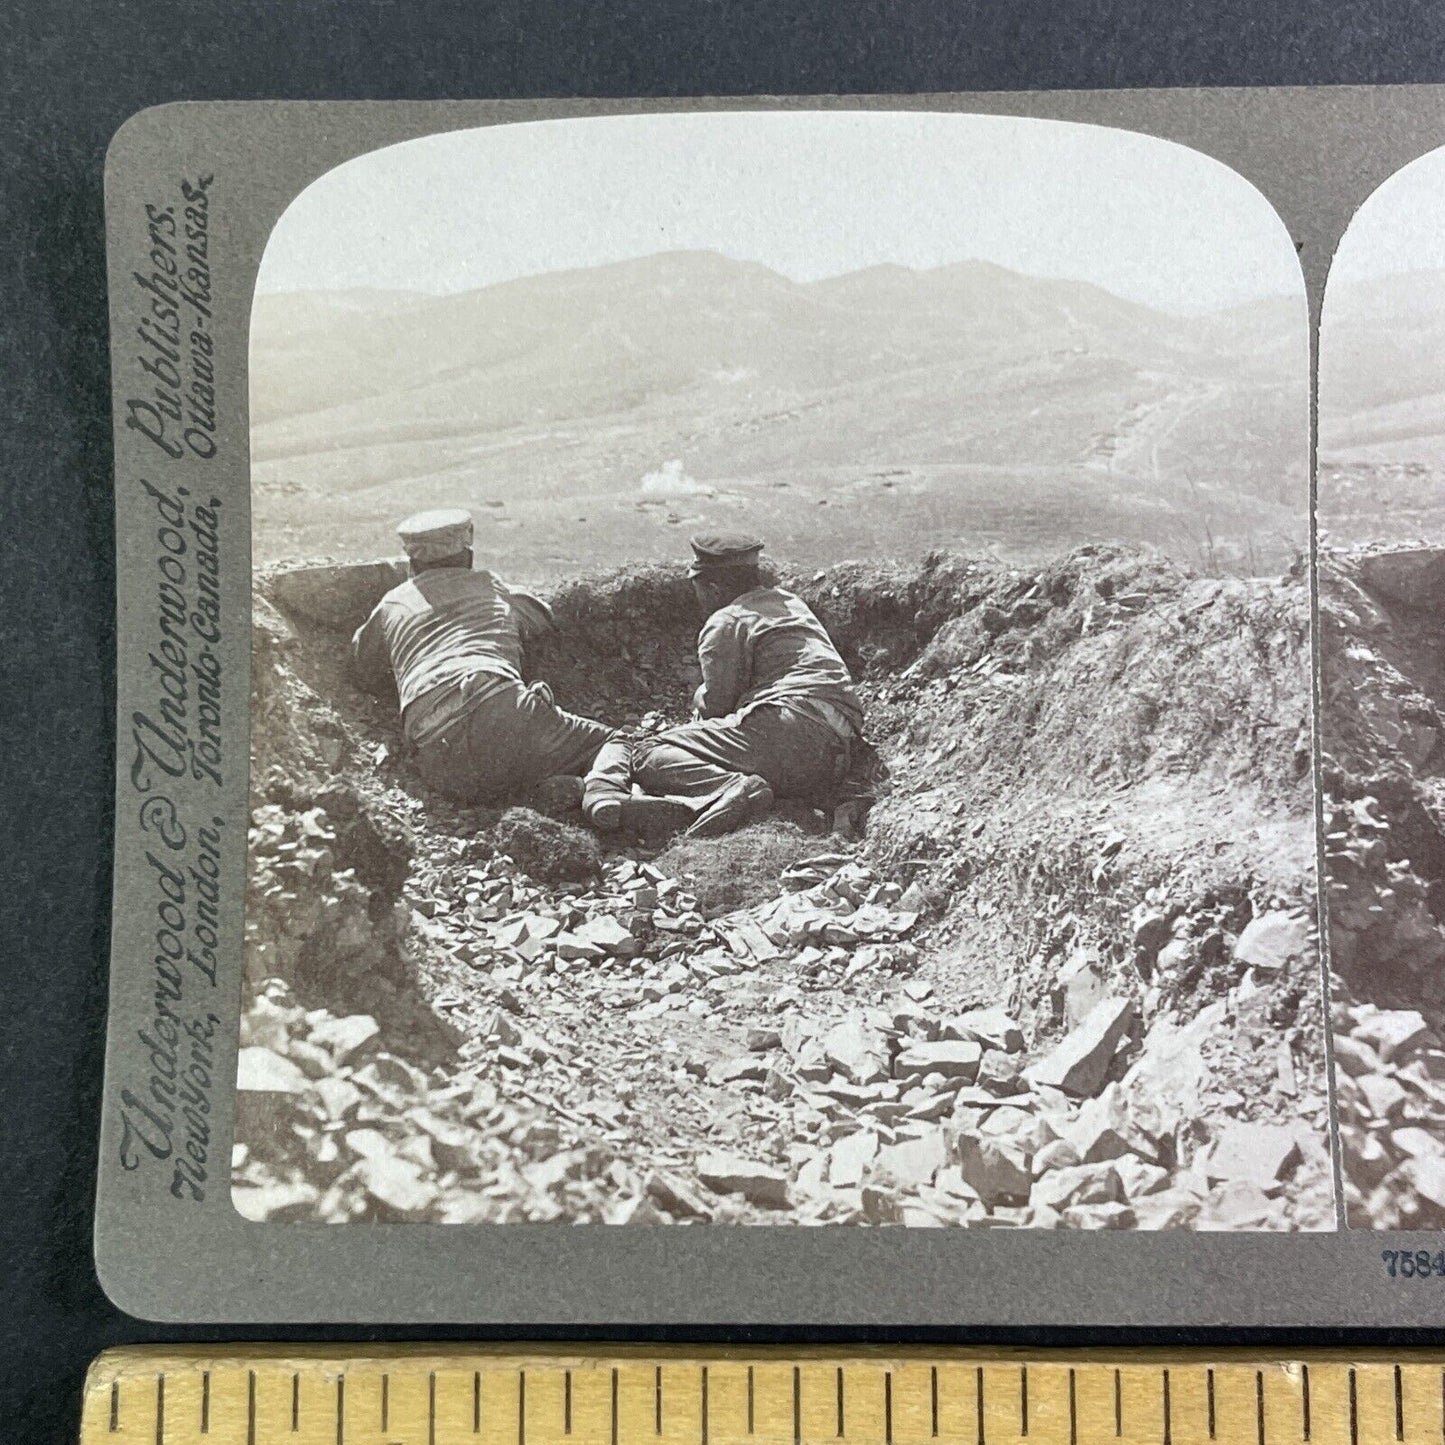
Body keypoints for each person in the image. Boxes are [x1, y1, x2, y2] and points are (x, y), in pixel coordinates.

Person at [582, 533, 865, 838]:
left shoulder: (727, 620)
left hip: (789, 727)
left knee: (646, 750)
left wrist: (692, 712)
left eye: (699, 589)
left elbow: (717, 705)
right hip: (838, 751)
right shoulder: (790, 602)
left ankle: (726, 789)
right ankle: (720, 797)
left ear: (714, 588)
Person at [351, 508, 613, 805]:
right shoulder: (491, 586)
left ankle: (548, 790)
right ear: (468, 555)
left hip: (435, 754)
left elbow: (364, 670)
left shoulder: (391, 603)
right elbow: (543, 617)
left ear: (412, 561)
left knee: (489, 786)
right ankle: (604, 794)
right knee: (612, 743)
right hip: (498, 704)